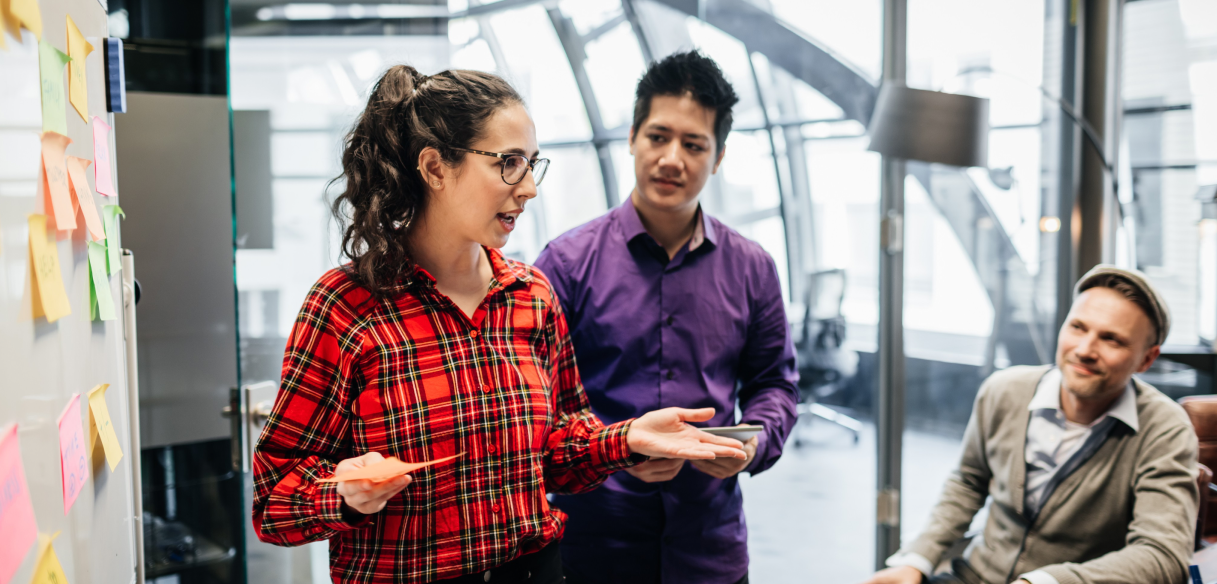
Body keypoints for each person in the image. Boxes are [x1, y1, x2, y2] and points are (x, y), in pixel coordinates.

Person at [249, 65, 749, 584]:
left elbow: (555, 451)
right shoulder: (346, 306)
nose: (529, 188)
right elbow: (274, 500)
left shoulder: (531, 296)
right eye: (510, 164)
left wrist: (626, 439)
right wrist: (342, 494)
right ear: (436, 168)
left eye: (532, 165)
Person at [534, 50, 799, 584]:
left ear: (718, 157)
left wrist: (751, 447)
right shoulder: (565, 263)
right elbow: (533, 402)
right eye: (658, 137)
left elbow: (776, 384)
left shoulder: (752, 267)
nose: (672, 158)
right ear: (633, 136)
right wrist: (614, 449)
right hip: (593, 544)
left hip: (710, 546)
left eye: (694, 144)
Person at [863, 265, 1199, 584]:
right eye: (1078, 327)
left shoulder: (1165, 428)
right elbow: (968, 482)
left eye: (1111, 339)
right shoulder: (1004, 390)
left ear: (1147, 359)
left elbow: (1162, 555)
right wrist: (916, 560)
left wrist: (1044, 581)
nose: (1084, 349)